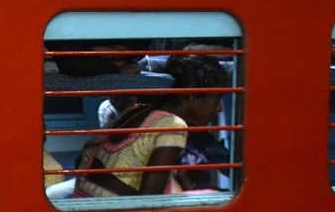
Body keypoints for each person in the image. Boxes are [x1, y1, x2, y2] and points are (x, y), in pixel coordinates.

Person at [74, 54, 228, 197]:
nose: (219, 108)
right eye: (217, 98)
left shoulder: (139, 109)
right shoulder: (172, 126)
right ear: (191, 95)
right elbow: (148, 202)